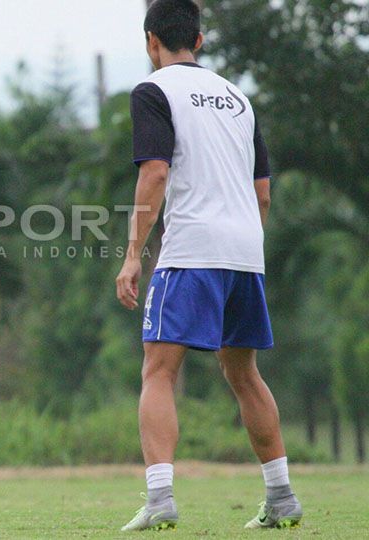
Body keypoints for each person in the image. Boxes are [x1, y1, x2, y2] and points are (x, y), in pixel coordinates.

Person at [115, 0, 302, 531]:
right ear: (198, 41)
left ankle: (159, 498)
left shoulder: (154, 91)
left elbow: (154, 173)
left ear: (152, 41)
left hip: (192, 249)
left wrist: (133, 256)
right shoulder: (239, 98)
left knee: (158, 369)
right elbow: (262, 191)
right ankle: (281, 495)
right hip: (245, 251)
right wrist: (241, 243)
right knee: (244, 373)